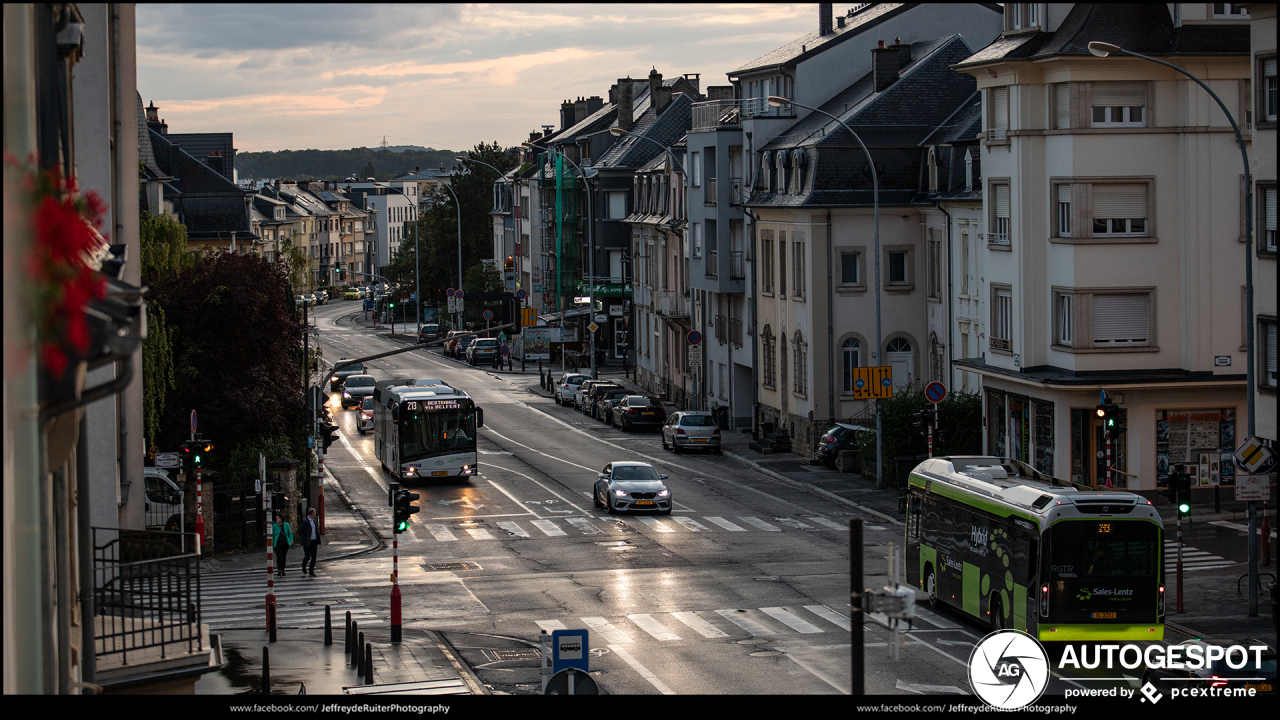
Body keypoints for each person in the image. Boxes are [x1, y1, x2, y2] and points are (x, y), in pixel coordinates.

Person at [300, 508, 320, 577]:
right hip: (307, 542)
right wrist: (304, 537)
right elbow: (299, 530)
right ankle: (304, 565)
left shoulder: (314, 521)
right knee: (307, 556)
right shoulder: (305, 521)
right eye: (314, 513)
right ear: (312, 514)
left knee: (314, 557)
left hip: (314, 541)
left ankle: (311, 571)